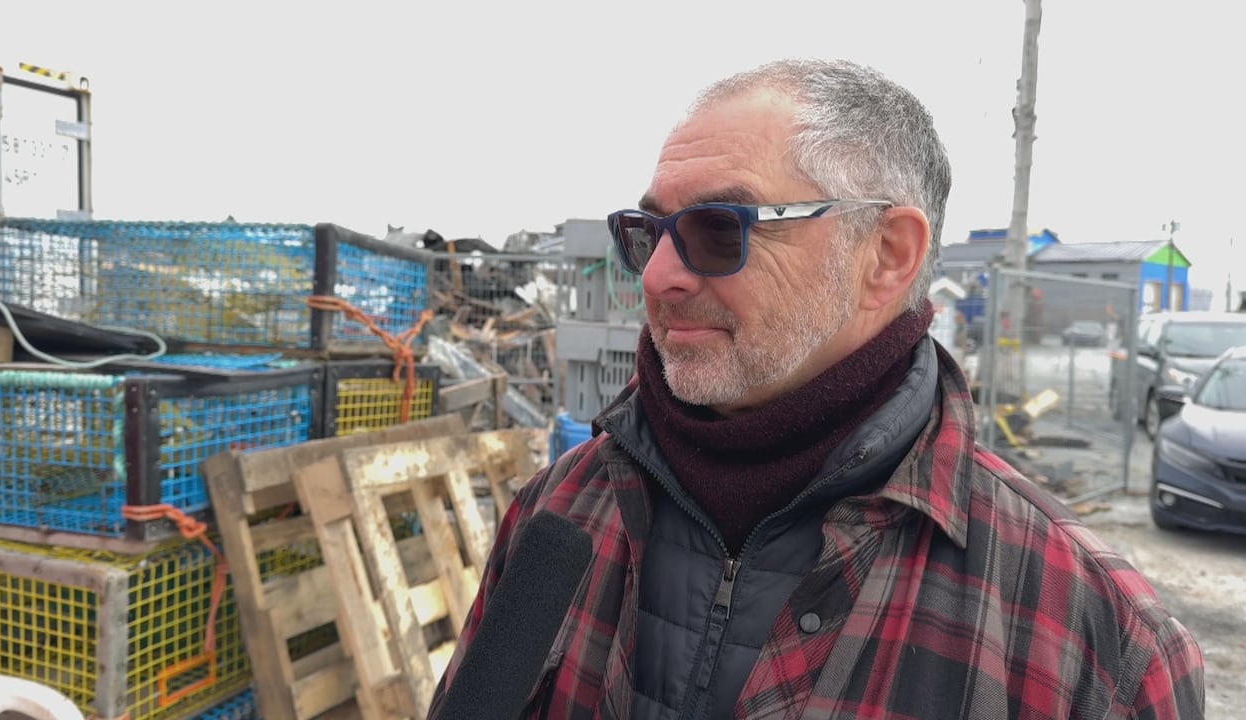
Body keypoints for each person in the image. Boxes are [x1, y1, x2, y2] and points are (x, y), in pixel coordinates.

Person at [428, 58, 1204, 719]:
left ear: (888, 256)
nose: (659, 277)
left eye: (718, 229)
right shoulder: (558, 511)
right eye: (649, 233)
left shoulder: (1097, 641)